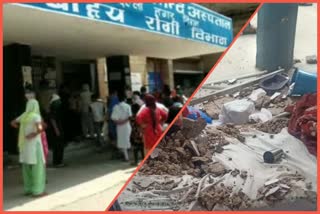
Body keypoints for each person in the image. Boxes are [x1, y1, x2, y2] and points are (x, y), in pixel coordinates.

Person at [10, 99, 47, 197]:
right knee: (38, 168)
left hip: (24, 145)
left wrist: (22, 131)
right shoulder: (36, 116)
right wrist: (33, 133)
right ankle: (38, 191)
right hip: (35, 145)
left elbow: (13, 123)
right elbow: (39, 128)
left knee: (26, 168)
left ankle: (28, 189)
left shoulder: (24, 115)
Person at [111, 92, 132, 162]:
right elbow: (130, 116)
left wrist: (120, 122)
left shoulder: (116, 107)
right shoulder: (128, 106)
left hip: (120, 127)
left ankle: (126, 157)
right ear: (125, 99)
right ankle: (127, 156)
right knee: (127, 140)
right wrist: (125, 121)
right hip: (127, 126)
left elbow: (114, 119)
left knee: (122, 141)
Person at [48, 93, 65, 167]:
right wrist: (57, 130)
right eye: (58, 100)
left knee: (60, 146)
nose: (59, 102)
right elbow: (53, 120)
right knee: (58, 146)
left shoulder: (57, 109)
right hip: (56, 130)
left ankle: (59, 161)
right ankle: (57, 162)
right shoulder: (53, 110)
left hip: (58, 129)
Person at [130, 93, 144, 166]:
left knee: (135, 148)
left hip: (134, 134)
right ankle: (144, 160)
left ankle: (136, 161)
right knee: (142, 147)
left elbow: (131, 125)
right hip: (141, 133)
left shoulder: (131, 117)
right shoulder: (141, 116)